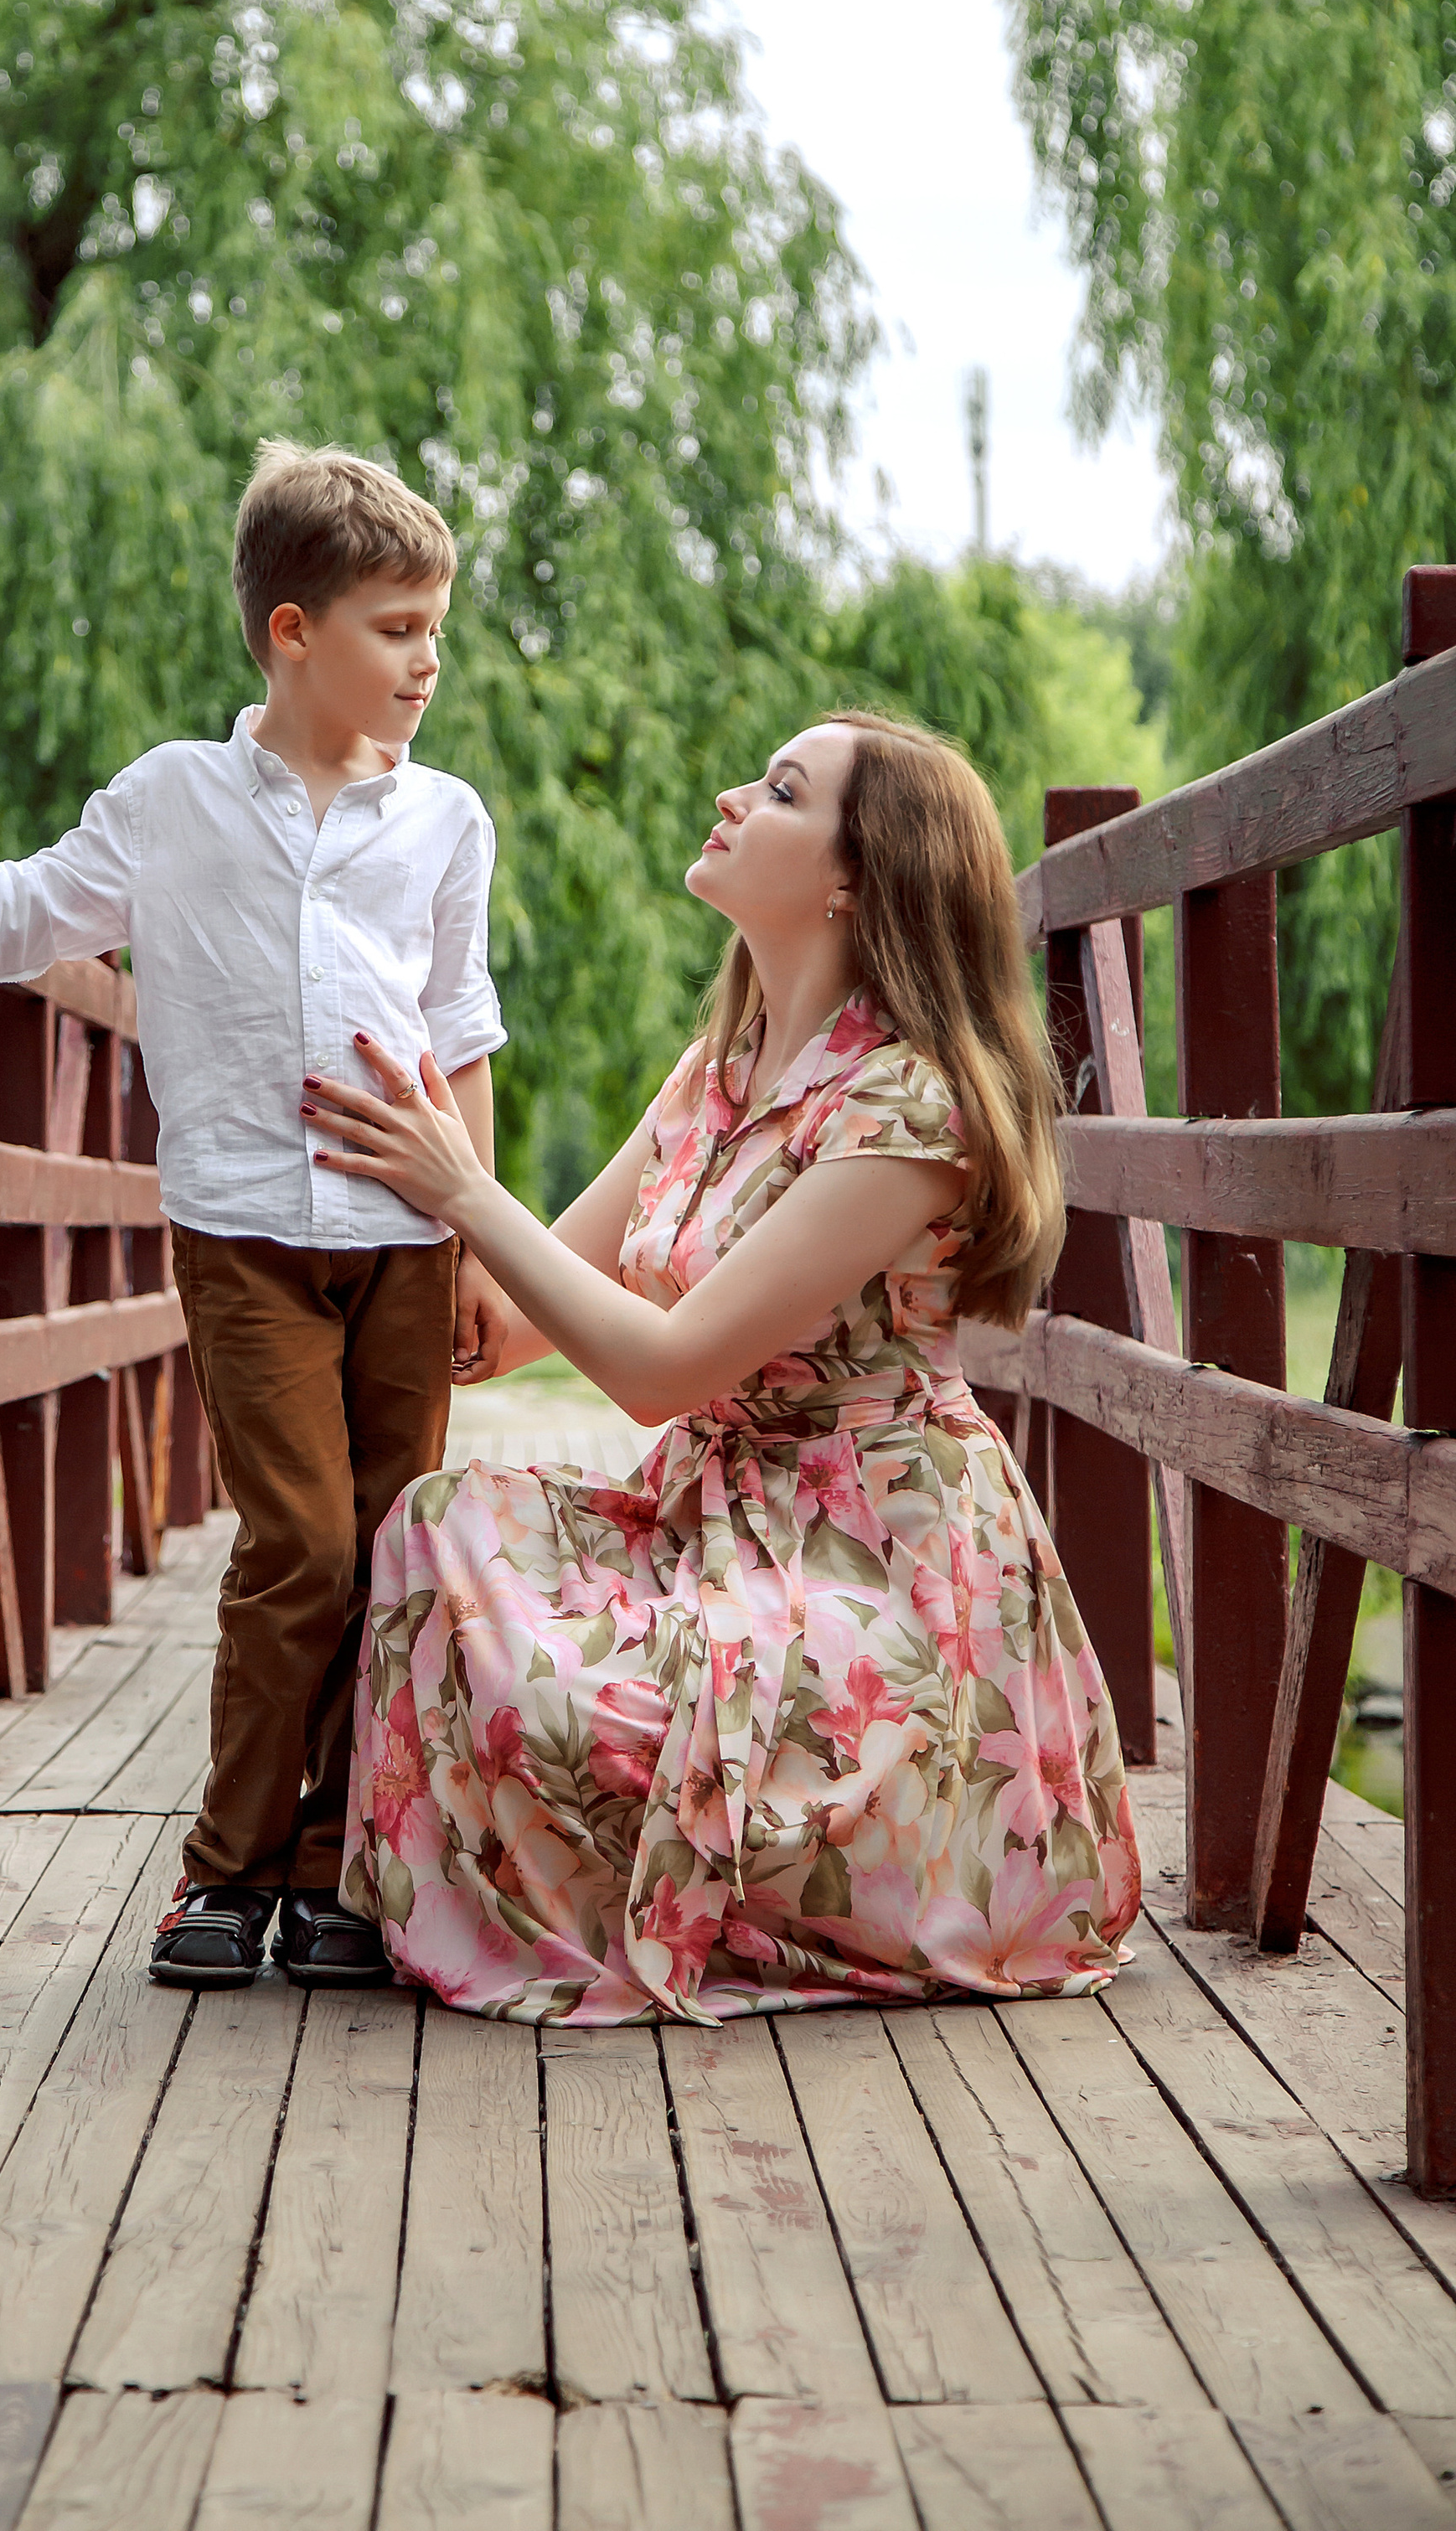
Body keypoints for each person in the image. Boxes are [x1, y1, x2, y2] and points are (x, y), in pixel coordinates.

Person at [0, 442, 506, 1994]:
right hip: (243, 1231)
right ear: (292, 632)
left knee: (385, 1549)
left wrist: (485, 1235)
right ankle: (226, 1870)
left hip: (410, 1238)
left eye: (437, 627)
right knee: (297, 1539)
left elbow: (464, 1029)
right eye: (396, 627)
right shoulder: (173, 801)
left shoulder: (446, 821)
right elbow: (17, 916)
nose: (429, 659)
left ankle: (336, 1875)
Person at [302, 711, 1142, 2023]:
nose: (732, 791)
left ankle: (798, 1879)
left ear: (856, 876)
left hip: (879, 1564)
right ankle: (558, 1881)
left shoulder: (911, 1109)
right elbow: (510, 1327)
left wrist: (463, 1189)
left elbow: (661, 1369)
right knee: (439, 1524)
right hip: (712, 1522)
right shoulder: (720, 1072)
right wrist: (326, 1220)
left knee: (595, 1700)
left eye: (782, 790)